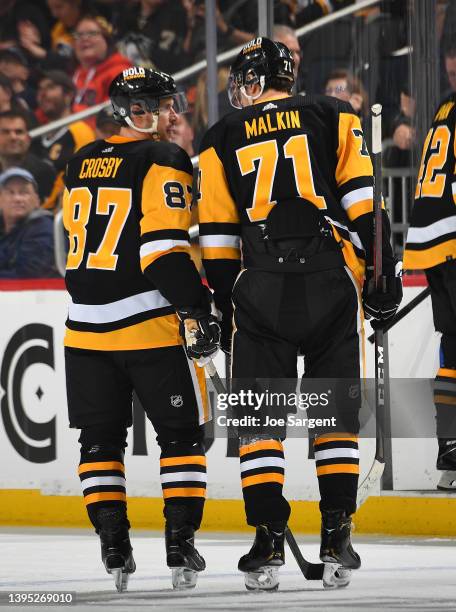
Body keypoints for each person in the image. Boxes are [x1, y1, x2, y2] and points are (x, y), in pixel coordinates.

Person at [198, 37, 402, 591]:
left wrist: (221, 307)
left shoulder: (219, 137)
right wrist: (386, 273)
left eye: (243, 78)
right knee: (334, 419)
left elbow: (216, 241)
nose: (238, 89)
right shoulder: (333, 113)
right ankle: (337, 534)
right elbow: (364, 201)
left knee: (259, 423)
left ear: (258, 79)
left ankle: (267, 538)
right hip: (329, 281)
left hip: (259, 287)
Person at [63, 67, 219, 592]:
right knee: (181, 437)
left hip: (83, 331)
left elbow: (74, 235)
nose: (169, 114)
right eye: (156, 104)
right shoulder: (164, 158)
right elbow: (160, 254)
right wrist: (198, 306)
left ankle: (114, 545)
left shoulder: (80, 159)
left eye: (169, 103)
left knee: (99, 442)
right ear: (131, 110)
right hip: (149, 328)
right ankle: (180, 544)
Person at [403, 92, 456, 491]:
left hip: (434, 244)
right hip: (453, 238)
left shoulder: (445, 108)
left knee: (453, 349)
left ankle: (451, 454)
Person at [31, 70, 94, 210]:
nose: (43, 94)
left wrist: (46, 209)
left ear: (69, 95)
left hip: (60, 213)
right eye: (40, 89)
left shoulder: (80, 131)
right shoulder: (37, 135)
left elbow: (81, 175)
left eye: (50, 87)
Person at [0, 167, 58, 278]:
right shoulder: (5, 231)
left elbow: (28, 276)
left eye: (24, 192)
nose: (17, 198)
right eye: (10, 192)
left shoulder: (42, 228)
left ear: (37, 201)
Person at [72, 15, 131, 113]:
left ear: (106, 40)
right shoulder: (71, 76)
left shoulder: (121, 73)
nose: (85, 39)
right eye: (79, 35)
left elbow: (115, 116)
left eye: (92, 33)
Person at [0, 109, 56, 203]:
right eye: (6, 132)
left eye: (19, 132)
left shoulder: (45, 172)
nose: (13, 137)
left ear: (28, 138)